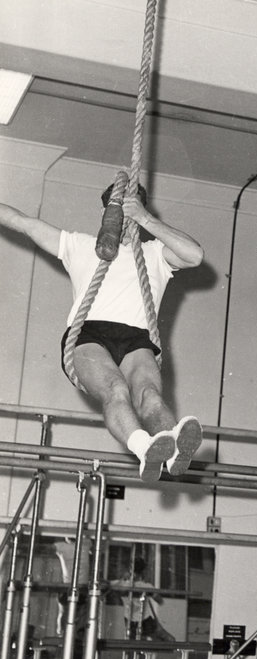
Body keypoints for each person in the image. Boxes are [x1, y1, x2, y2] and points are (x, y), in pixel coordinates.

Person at [0, 185, 205, 482]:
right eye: (116, 209)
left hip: (137, 339)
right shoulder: (78, 245)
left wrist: (145, 219)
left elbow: (195, 255)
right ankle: (143, 447)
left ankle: (173, 451)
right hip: (89, 336)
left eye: (129, 210)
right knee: (116, 390)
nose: (122, 217)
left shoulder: (155, 254)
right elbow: (22, 222)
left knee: (151, 396)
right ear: (104, 212)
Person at [109, 557, 175, 642]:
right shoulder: (147, 587)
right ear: (144, 571)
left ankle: (147, 640)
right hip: (146, 620)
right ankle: (148, 640)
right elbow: (160, 601)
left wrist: (123, 578)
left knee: (134, 643)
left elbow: (107, 584)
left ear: (130, 570)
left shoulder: (122, 584)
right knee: (170, 640)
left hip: (129, 622)